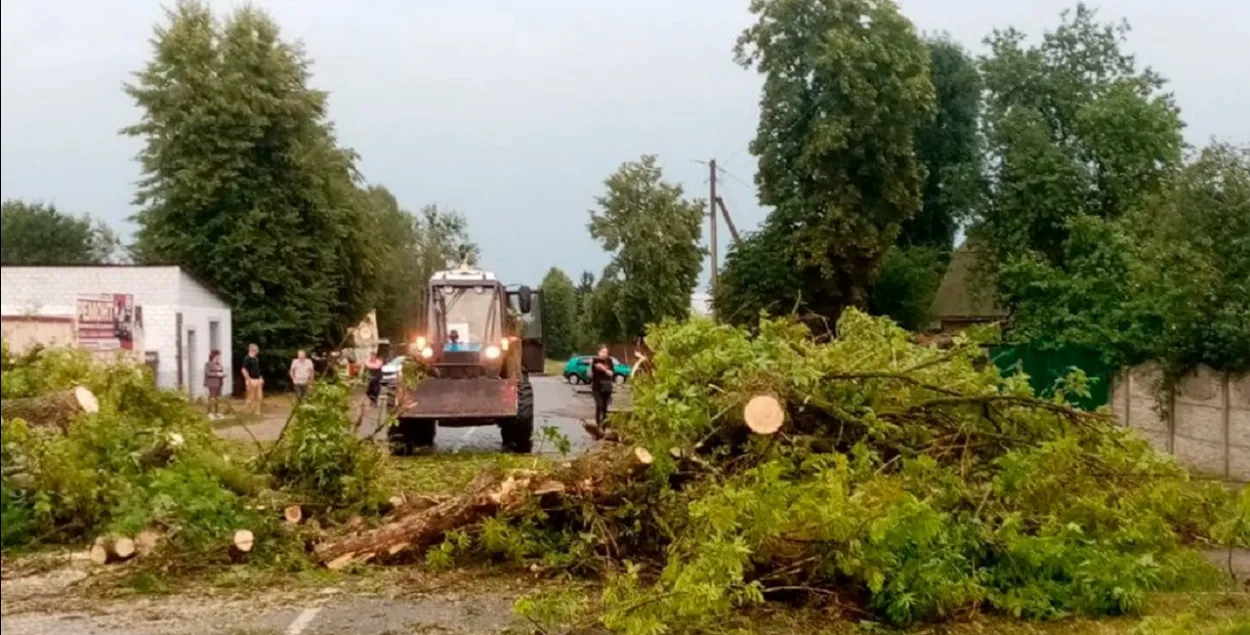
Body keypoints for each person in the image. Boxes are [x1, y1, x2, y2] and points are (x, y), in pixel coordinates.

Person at [590, 344, 615, 428]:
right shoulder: (594, 360)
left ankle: (604, 427)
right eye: (603, 352)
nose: (605, 354)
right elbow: (590, 374)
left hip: (606, 387)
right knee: (599, 405)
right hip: (597, 387)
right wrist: (591, 366)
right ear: (599, 352)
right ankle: (598, 425)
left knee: (605, 408)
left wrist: (604, 369)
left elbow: (611, 373)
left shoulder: (609, 361)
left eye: (606, 352)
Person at [242, 343, 263, 415]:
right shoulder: (247, 358)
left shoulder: (256, 359)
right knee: (250, 396)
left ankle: (257, 411)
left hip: (257, 380)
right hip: (251, 380)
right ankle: (247, 411)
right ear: (252, 350)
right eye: (255, 350)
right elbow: (244, 370)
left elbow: (257, 370)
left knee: (259, 396)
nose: (256, 352)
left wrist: (260, 377)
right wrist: (248, 379)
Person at [204, 350, 225, 418]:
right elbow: (208, 373)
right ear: (214, 356)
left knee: (218, 398)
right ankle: (210, 412)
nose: (219, 358)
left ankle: (218, 412)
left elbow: (221, 370)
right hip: (212, 383)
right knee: (212, 398)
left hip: (219, 383)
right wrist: (217, 374)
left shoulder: (219, 364)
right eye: (218, 356)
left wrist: (222, 374)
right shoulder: (208, 364)